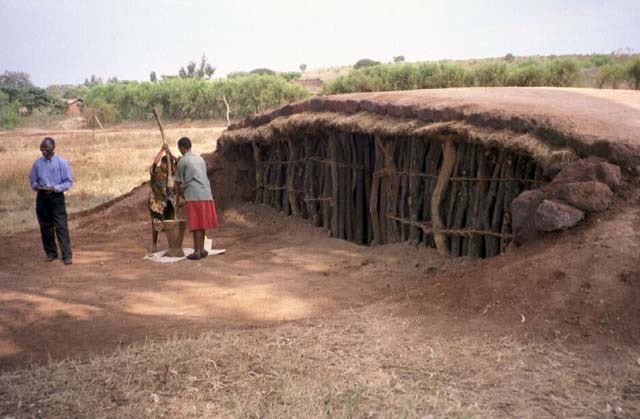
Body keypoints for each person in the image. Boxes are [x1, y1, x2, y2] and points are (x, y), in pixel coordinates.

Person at [28, 137, 73, 265]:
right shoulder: (37, 163)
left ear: (53, 147)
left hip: (56, 197)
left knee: (61, 226)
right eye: (42, 149)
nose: (44, 152)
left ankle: (67, 255)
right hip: (42, 197)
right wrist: (35, 185)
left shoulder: (62, 163)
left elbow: (68, 182)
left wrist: (55, 188)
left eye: (46, 149)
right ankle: (51, 253)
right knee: (45, 226)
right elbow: (32, 179)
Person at [174, 137, 218, 260]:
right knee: (202, 222)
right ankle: (202, 249)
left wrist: (179, 194)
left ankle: (197, 251)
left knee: (196, 224)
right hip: (206, 193)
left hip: (194, 195)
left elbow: (178, 181)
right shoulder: (200, 159)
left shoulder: (183, 161)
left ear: (182, 148)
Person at [149, 143, 178, 252]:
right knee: (156, 223)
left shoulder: (171, 170)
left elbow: (178, 162)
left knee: (171, 222)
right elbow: (154, 163)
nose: (167, 168)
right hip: (156, 201)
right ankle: (154, 244)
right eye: (166, 165)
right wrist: (162, 150)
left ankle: (172, 244)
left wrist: (170, 152)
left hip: (168, 200)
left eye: (169, 166)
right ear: (163, 163)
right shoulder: (156, 171)